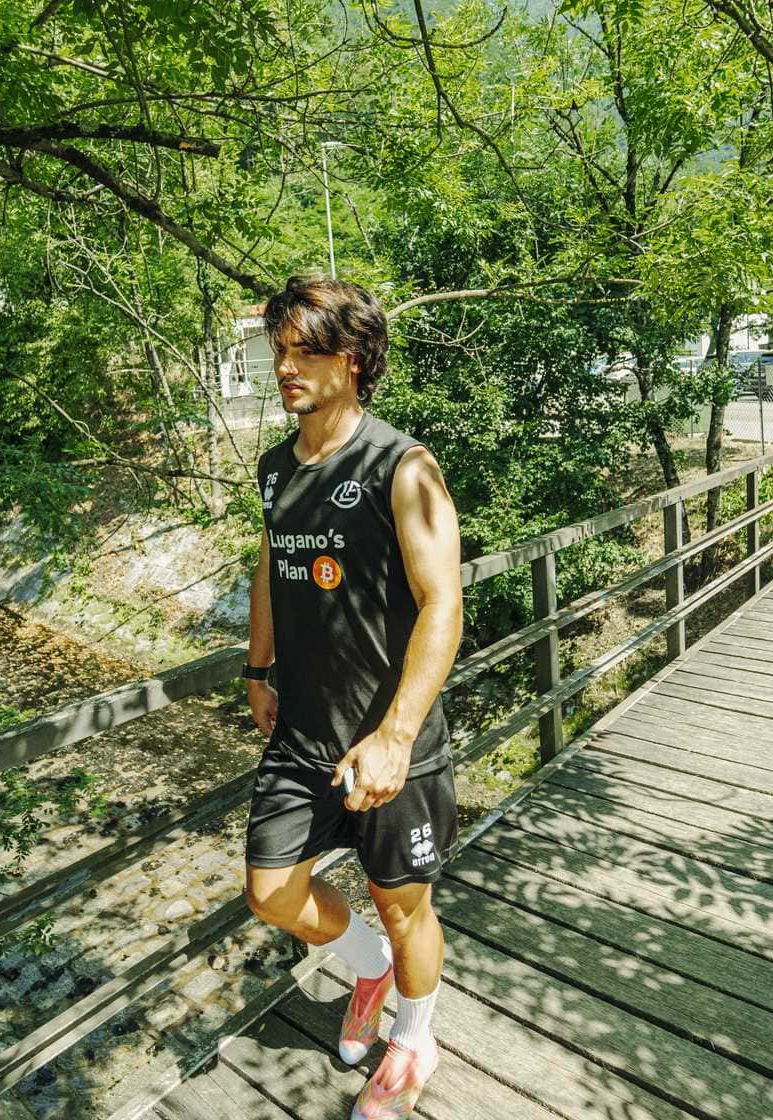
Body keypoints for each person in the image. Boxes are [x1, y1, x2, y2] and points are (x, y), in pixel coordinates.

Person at [242, 275, 462, 1119]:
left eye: (305, 351)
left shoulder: (401, 466)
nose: (285, 367)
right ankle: (367, 969)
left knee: (405, 908)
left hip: (389, 742)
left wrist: (397, 735)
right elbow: (272, 567)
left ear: (355, 360)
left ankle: (414, 1038)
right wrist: (258, 670)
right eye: (280, 350)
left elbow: (443, 602)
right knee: (271, 891)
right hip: (303, 733)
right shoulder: (275, 468)